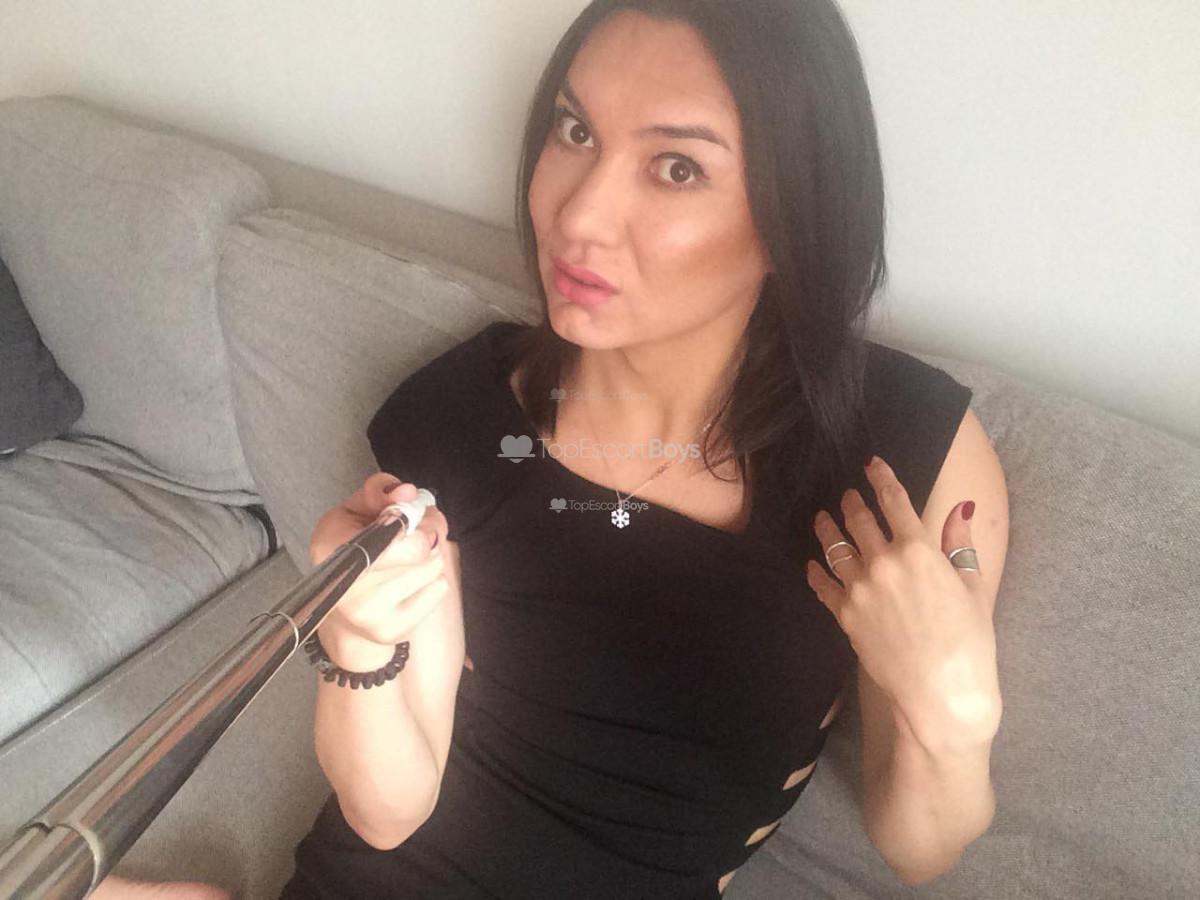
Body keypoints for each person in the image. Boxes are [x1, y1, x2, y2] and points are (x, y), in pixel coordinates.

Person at [97, 0, 1007, 897]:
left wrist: (954, 709)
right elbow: (387, 814)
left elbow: (917, 851)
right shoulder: (461, 416)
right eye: (575, 131)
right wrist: (360, 640)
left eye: (677, 168)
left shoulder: (897, 458)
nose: (579, 216)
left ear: (794, 215)